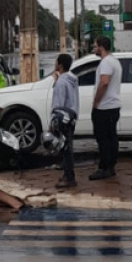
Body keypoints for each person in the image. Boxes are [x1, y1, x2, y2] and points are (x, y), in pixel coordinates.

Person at [90, 36, 122, 180]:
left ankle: (104, 167)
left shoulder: (106, 63)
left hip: (105, 107)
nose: (93, 49)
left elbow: (104, 83)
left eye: (95, 46)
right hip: (112, 107)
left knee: (103, 138)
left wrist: (96, 102)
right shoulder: (114, 61)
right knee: (111, 137)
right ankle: (111, 166)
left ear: (102, 47)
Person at [51, 53, 79, 188]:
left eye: (56, 61)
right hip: (71, 117)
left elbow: (58, 103)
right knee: (67, 147)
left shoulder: (61, 82)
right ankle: (67, 175)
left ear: (60, 65)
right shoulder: (72, 79)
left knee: (65, 149)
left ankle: (69, 177)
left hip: (63, 119)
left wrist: (54, 122)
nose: (54, 63)